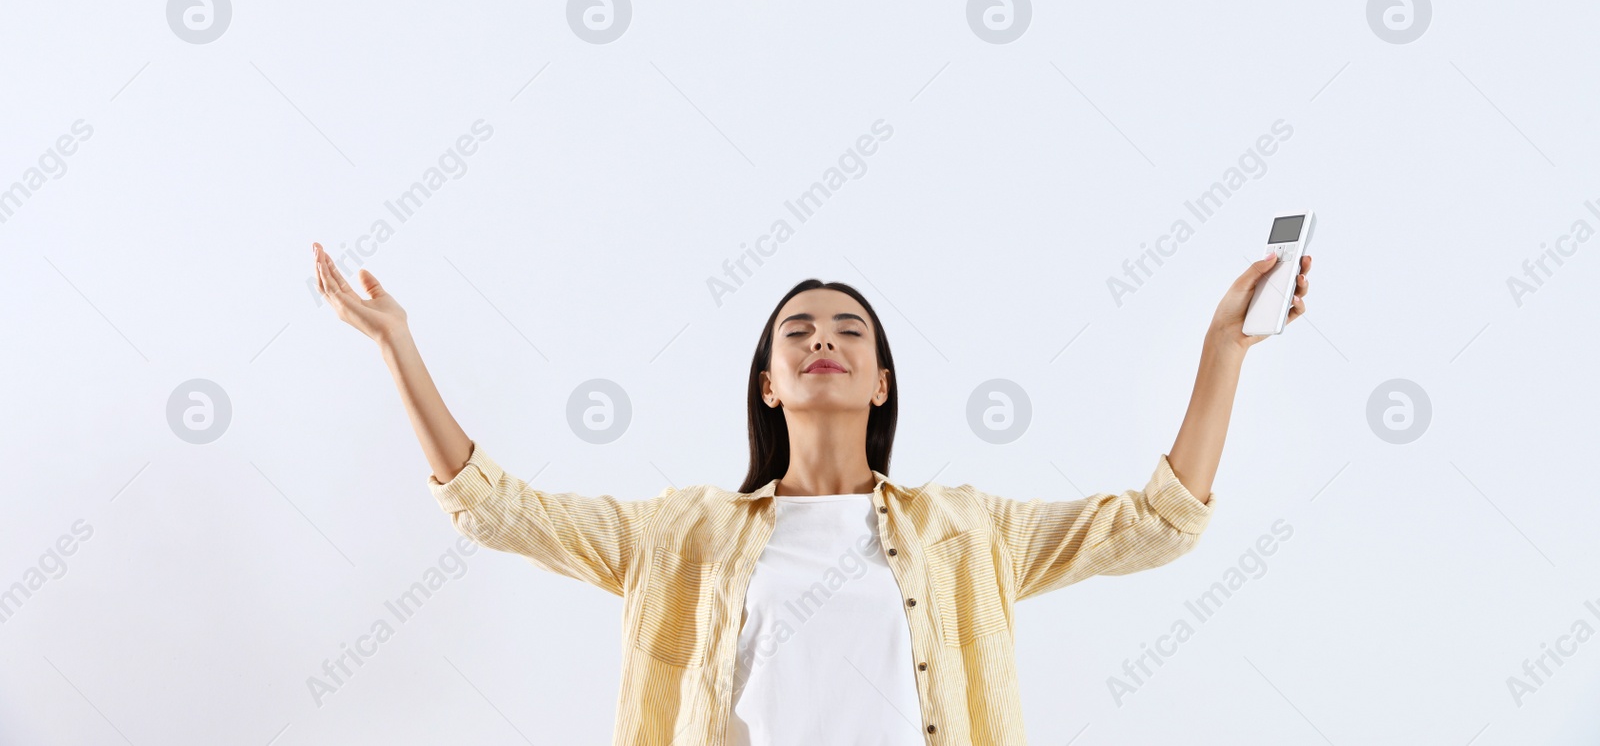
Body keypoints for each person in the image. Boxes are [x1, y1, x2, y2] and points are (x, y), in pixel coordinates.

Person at [312, 242, 1310, 745]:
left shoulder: (967, 531)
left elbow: (1156, 524)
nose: (821, 338)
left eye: (847, 330)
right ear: (768, 380)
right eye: (797, 331)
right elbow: (495, 508)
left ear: (879, 380)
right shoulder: (682, 535)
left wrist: (1224, 347)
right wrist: (397, 343)